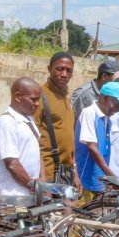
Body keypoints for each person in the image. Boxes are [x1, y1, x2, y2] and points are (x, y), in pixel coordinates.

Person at [0, 77, 43, 207]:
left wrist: (41, 184)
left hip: (28, 195)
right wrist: (33, 185)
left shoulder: (28, 120)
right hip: (12, 198)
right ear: (18, 97)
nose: (37, 104)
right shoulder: (7, 122)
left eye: (38, 99)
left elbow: (37, 154)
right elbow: (12, 164)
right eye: (33, 99)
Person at [75, 82, 119, 202]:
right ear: (105, 98)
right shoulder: (89, 113)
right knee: (79, 212)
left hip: (99, 179)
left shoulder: (107, 119)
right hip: (86, 178)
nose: (117, 110)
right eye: (116, 105)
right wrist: (112, 176)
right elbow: (92, 148)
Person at [34, 52, 77, 186]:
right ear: (49, 69)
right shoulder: (39, 95)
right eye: (60, 69)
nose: (64, 74)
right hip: (48, 172)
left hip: (66, 171)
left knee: (68, 207)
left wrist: (75, 171)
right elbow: (31, 137)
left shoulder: (66, 96)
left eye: (68, 70)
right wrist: (42, 176)